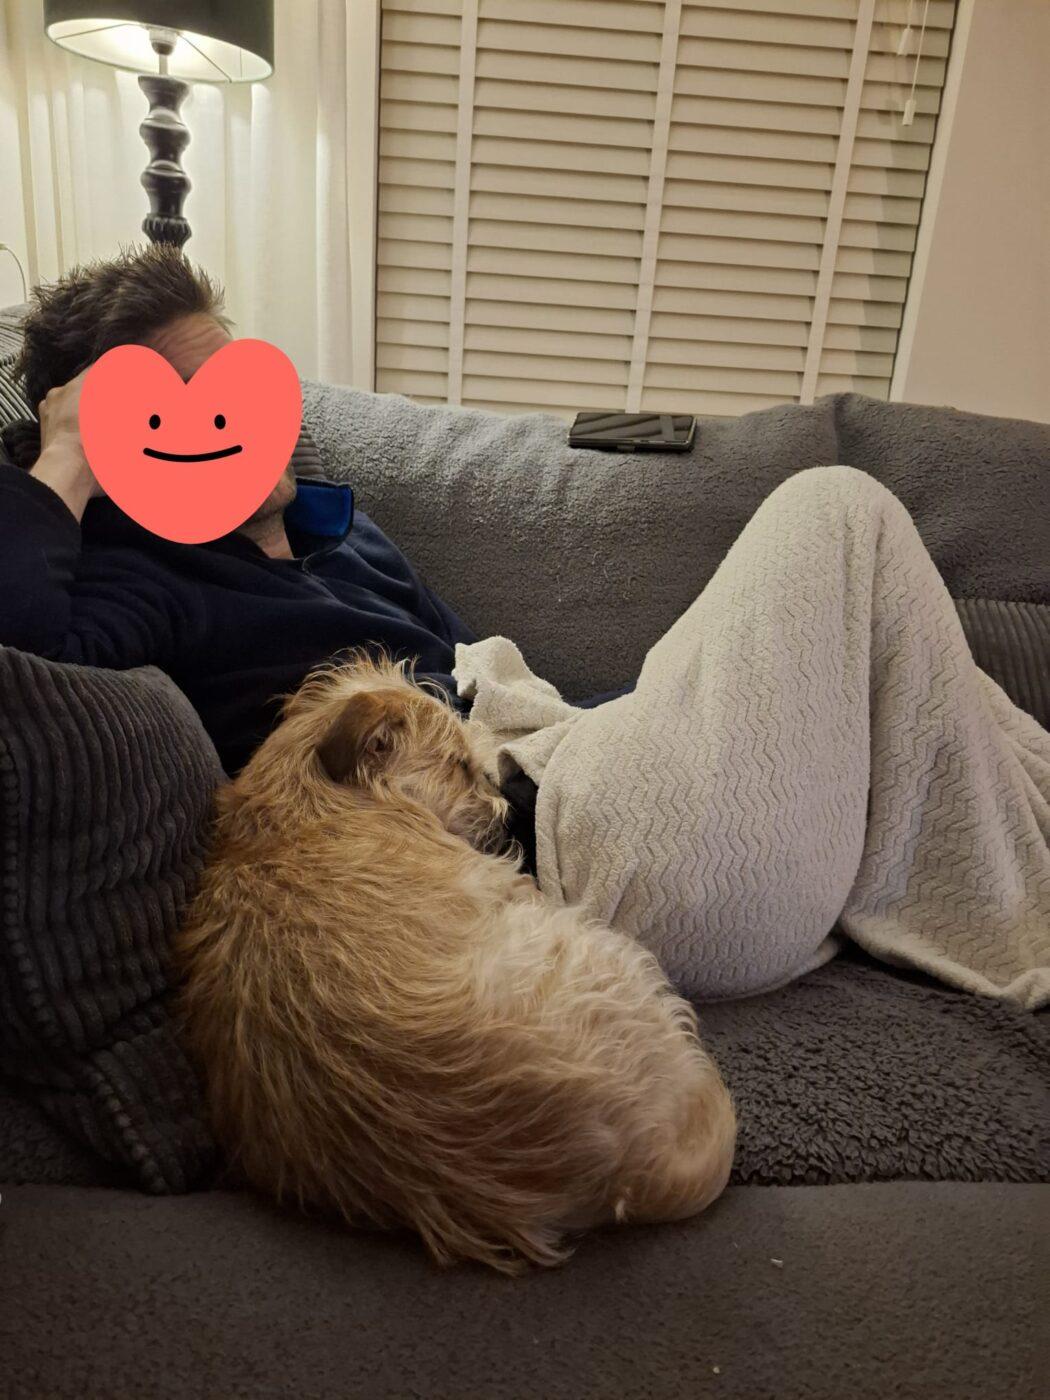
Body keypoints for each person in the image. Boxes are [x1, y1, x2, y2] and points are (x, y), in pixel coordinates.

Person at [2, 246, 1046, 1008]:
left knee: (930, 669)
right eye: (185, 403)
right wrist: (63, 463)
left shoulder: (347, 532)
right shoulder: (145, 581)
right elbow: (25, 659)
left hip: (610, 780)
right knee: (837, 510)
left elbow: (488, 683)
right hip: (551, 858)